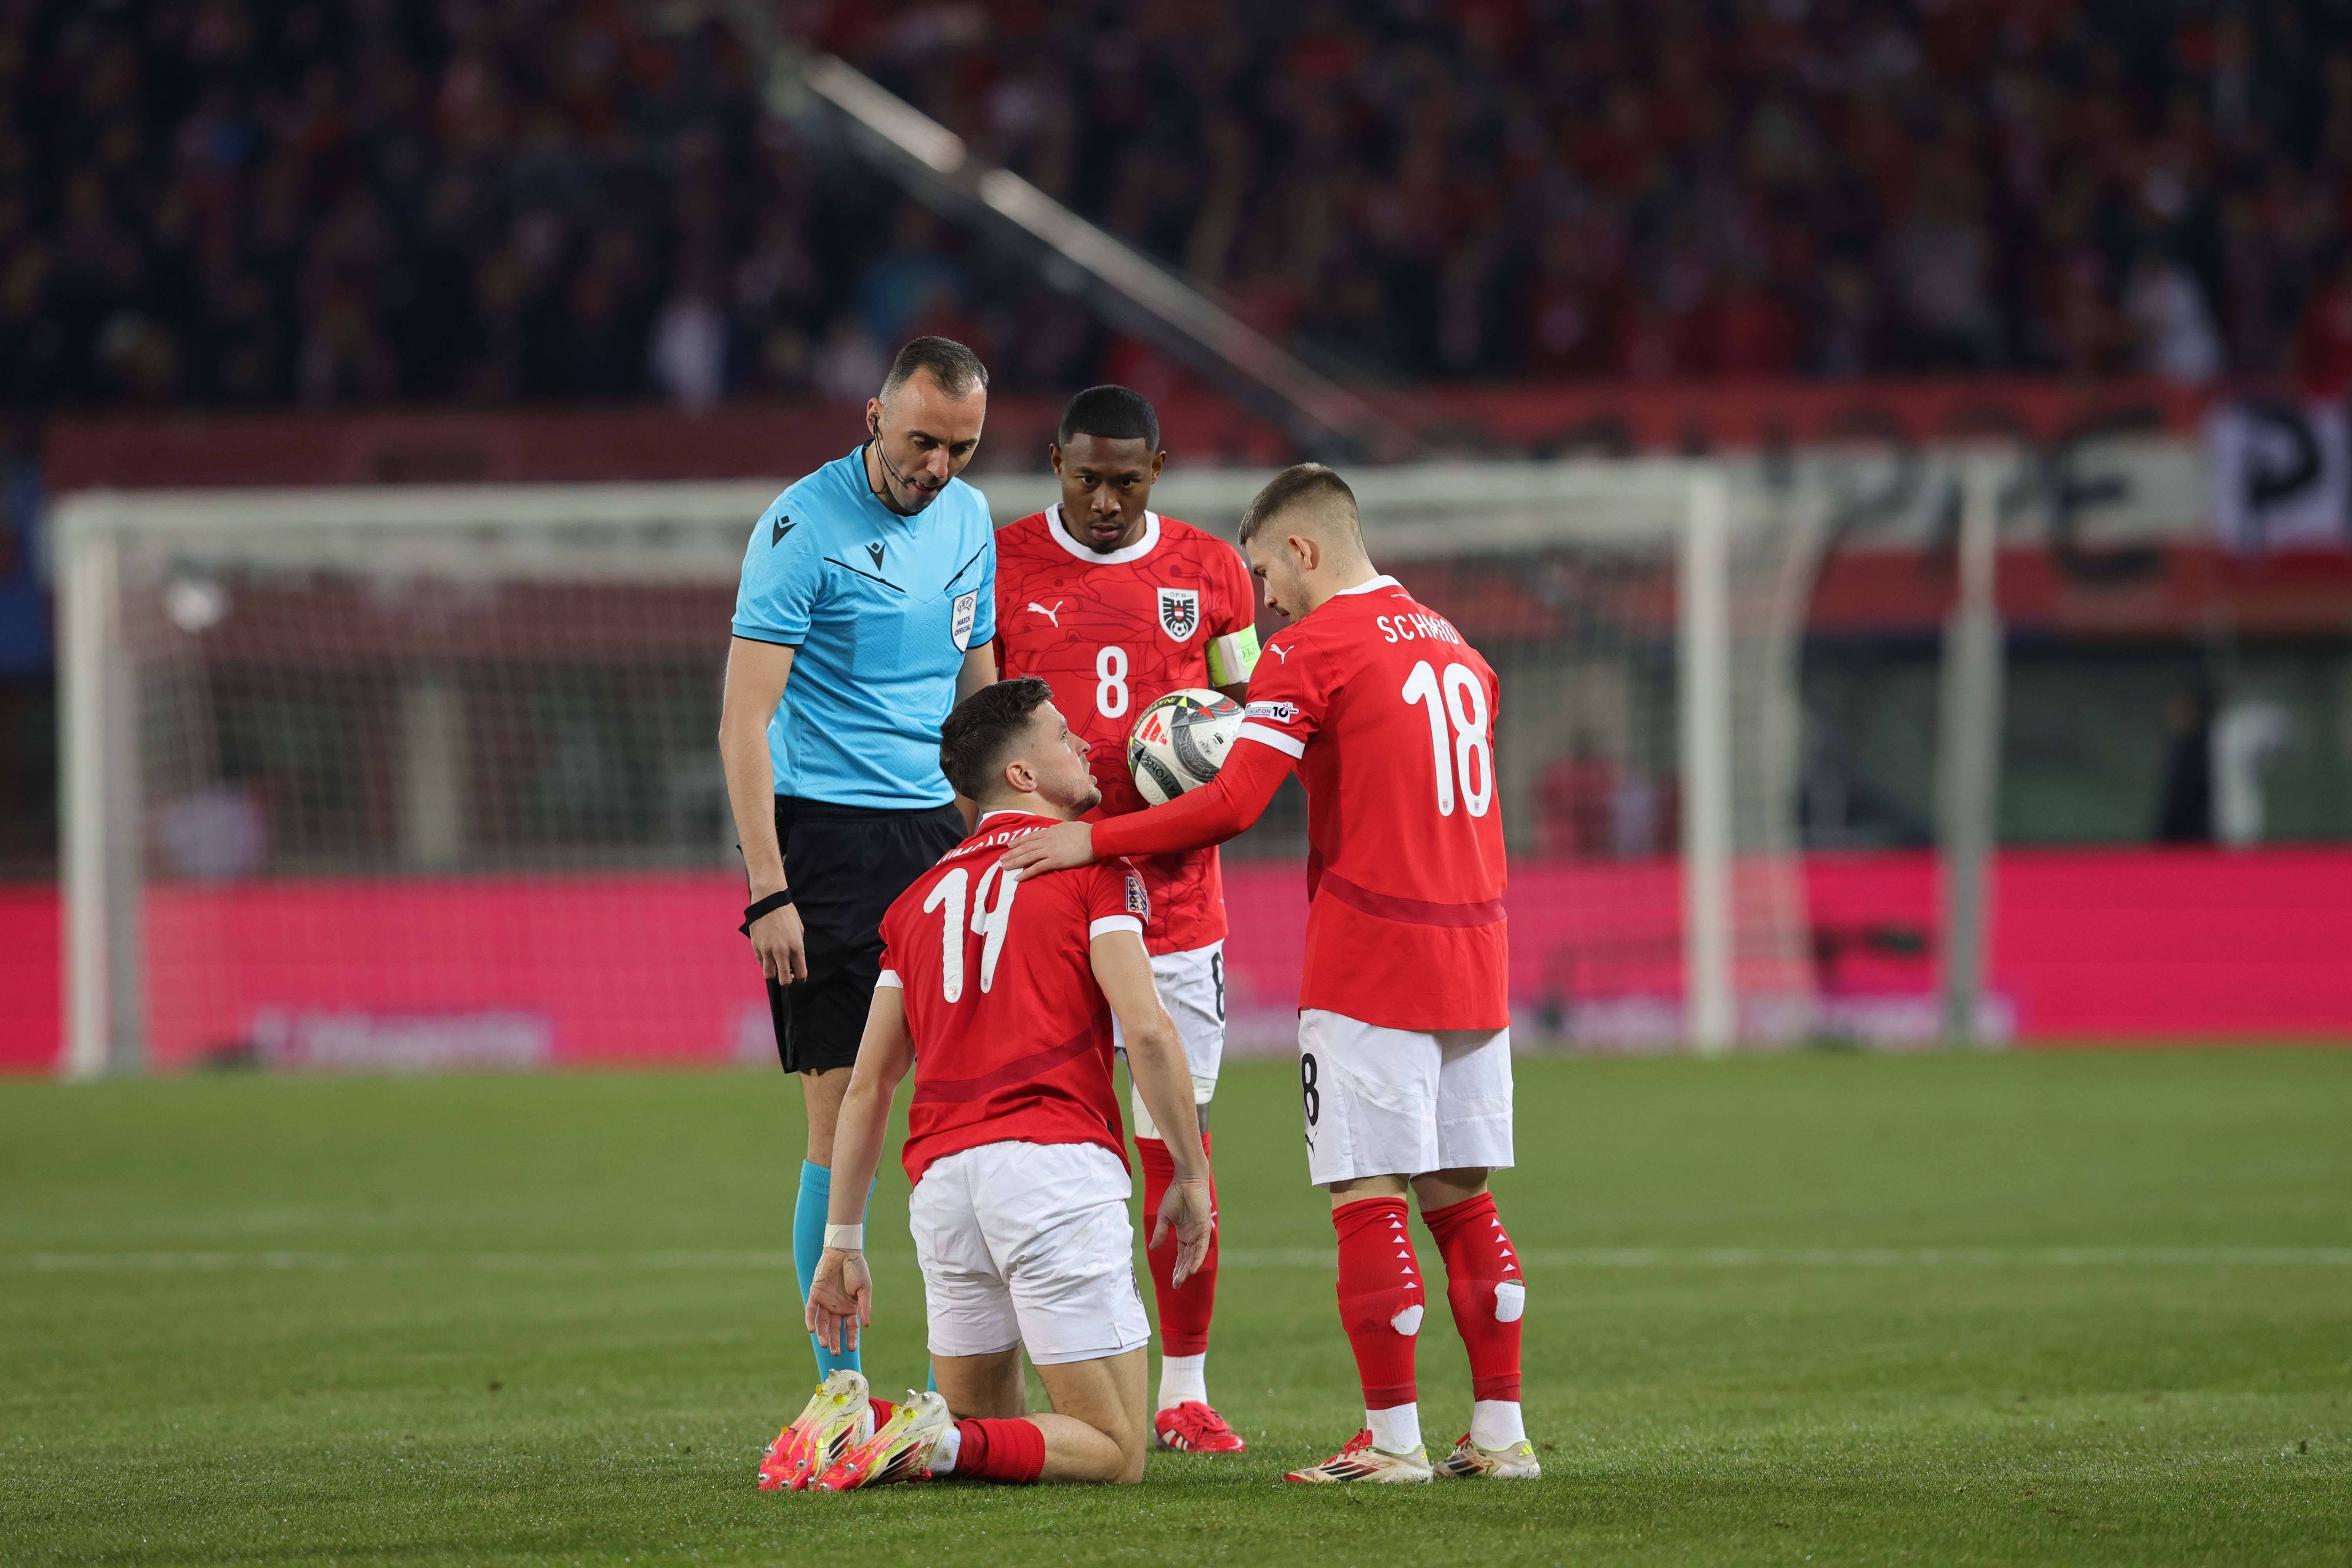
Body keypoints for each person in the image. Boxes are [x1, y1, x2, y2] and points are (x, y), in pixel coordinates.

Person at [1001, 463, 1538, 1483]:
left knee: (1366, 1196)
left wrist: (1091, 843)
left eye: (1266, 573)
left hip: (1372, 955)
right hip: (1479, 955)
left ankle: (1392, 1445)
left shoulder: (1314, 649)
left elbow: (1234, 805)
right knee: (1465, 1202)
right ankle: (1502, 1438)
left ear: (1301, 548)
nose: (1265, 602)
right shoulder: (1462, 651)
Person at [785, 678, 1216, 1490]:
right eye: (1060, 734)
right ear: (1022, 776)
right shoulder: (1093, 872)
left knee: (986, 1440)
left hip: (944, 1189)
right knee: (1115, 1448)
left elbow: (870, 1085)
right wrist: (1191, 1174)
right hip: (1051, 1169)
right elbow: (1150, 1030)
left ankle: (890, 1427)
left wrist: (842, 1241)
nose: (1084, 741)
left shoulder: (914, 903)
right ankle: (912, 1436)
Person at [718, 336, 998, 1405]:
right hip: (825, 842)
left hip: (940, 834)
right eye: (923, 440)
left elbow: (980, 691)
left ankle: (963, 1385)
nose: (937, 467)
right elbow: (745, 723)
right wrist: (769, 887)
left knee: (963, 1109)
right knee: (841, 1120)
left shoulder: (969, 522)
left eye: (961, 448)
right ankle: (841, 1392)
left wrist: (998, 829)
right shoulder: (802, 528)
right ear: (874, 415)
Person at [990, 383, 1258, 1452]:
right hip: (1047, 892)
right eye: (1087, 477)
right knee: (1038, 1143)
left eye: (1127, 480)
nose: (1106, 499)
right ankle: (1027, 1375)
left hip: (1181, 902)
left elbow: (1248, 712)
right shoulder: (1002, 563)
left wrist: (1210, 745)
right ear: (1056, 462)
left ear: (1159, 471)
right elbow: (975, 719)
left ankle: (1183, 1391)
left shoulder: (1212, 572)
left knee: (1175, 1140)